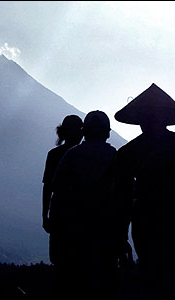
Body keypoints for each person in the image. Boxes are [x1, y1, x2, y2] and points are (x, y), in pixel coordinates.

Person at [113, 83, 175, 299]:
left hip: (148, 229)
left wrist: (119, 236)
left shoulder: (130, 152)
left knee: (154, 284)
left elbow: (120, 199)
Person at [51, 111, 119, 299]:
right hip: (105, 234)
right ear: (107, 133)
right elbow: (123, 196)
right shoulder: (115, 156)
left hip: (73, 233)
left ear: (85, 132)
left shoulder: (72, 155)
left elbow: (57, 190)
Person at [42, 115, 83, 265]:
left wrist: (44, 216)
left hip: (59, 213)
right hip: (82, 215)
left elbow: (47, 187)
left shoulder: (54, 155)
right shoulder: (85, 154)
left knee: (60, 260)